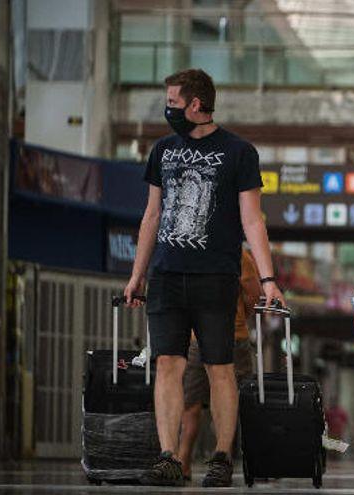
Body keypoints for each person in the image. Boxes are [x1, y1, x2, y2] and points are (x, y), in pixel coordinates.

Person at [124, 69, 285, 487]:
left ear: (197, 105)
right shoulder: (162, 150)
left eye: (174, 103)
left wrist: (268, 279)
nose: (168, 110)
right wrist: (137, 274)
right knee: (168, 366)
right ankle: (168, 456)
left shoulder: (238, 152)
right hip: (166, 274)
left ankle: (220, 456)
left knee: (220, 368)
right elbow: (152, 215)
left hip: (216, 277)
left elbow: (253, 220)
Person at [177, 249, 261, 480]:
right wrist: (242, 313)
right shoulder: (238, 253)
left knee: (191, 402)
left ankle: (183, 460)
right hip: (233, 335)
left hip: (198, 338)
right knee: (230, 400)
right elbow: (254, 293)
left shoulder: (190, 250)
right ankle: (221, 458)